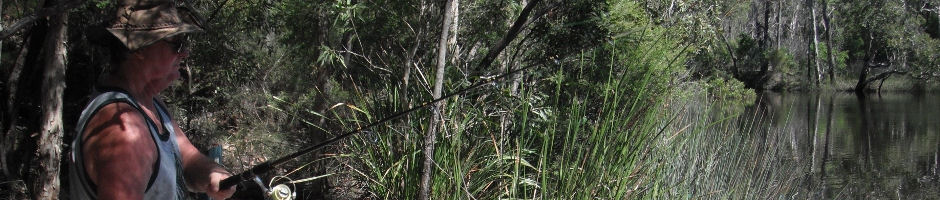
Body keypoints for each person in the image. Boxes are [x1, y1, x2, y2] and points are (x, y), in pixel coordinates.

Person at [68, 0, 235, 199]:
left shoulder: (149, 103)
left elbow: (187, 158)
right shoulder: (125, 131)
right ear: (139, 48)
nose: (184, 53)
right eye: (176, 43)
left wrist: (212, 174)